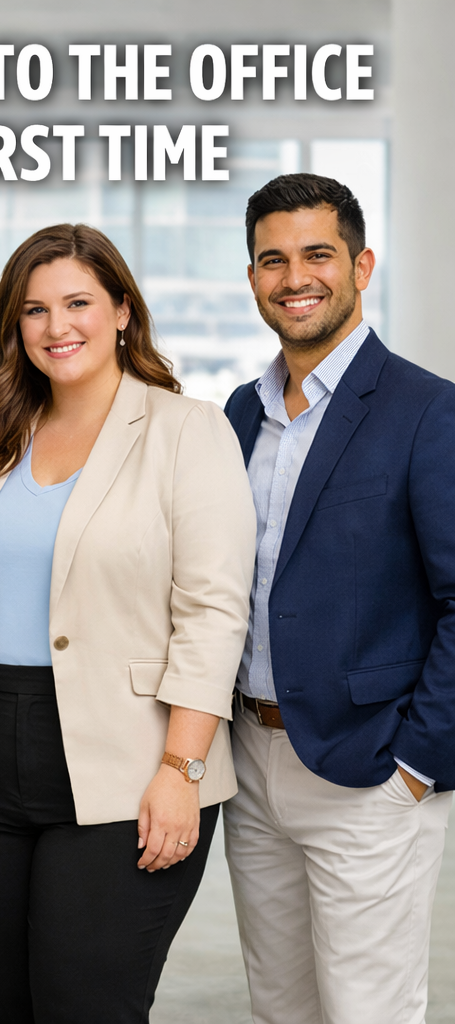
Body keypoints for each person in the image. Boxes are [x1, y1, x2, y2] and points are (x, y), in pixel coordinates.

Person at [0, 223, 256, 1023]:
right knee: (19, 1006)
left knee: (87, 1005)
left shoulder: (188, 430)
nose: (56, 326)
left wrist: (182, 770)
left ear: (121, 311)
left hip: (131, 757)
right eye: (34, 310)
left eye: (77, 302)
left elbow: (213, 610)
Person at [222, 173, 455, 1024]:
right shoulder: (241, 415)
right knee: (281, 1008)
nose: (295, 278)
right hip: (252, 760)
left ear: (361, 265)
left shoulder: (428, 411)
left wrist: (415, 768)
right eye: (272, 260)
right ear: (251, 277)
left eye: (317, 254)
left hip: (368, 771)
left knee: (369, 1012)